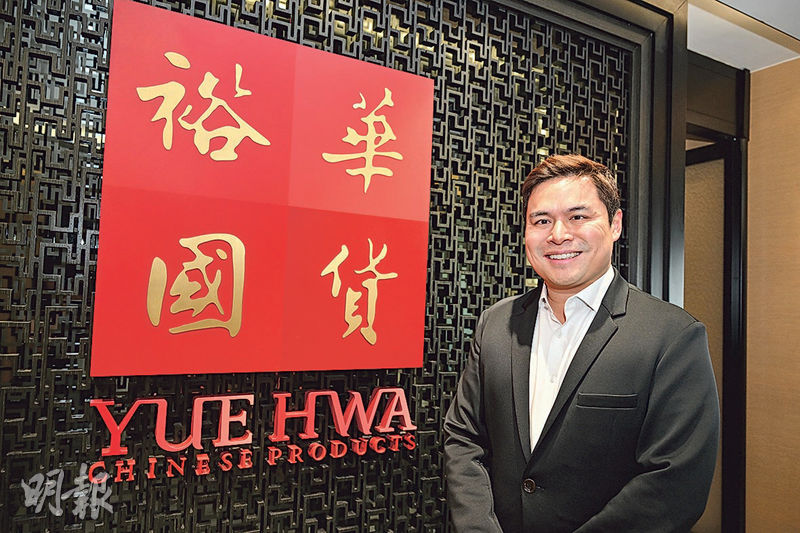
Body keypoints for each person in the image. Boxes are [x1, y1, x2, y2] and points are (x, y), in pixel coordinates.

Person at [443, 154, 719, 532]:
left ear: (615, 224)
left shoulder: (672, 336)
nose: (558, 234)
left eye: (577, 217)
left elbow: (675, 482)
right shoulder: (497, 323)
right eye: (542, 221)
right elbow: (464, 437)